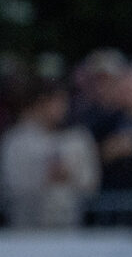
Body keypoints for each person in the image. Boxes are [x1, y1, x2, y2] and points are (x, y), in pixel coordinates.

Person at [0, 80, 100, 228]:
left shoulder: (78, 139)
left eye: (63, 102)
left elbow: (91, 183)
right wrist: (43, 177)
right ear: (40, 103)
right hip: (26, 228)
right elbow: (10, 186)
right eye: (55, 102)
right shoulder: (16, 140)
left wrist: (69, 175)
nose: (61, 108)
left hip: (70, 226)